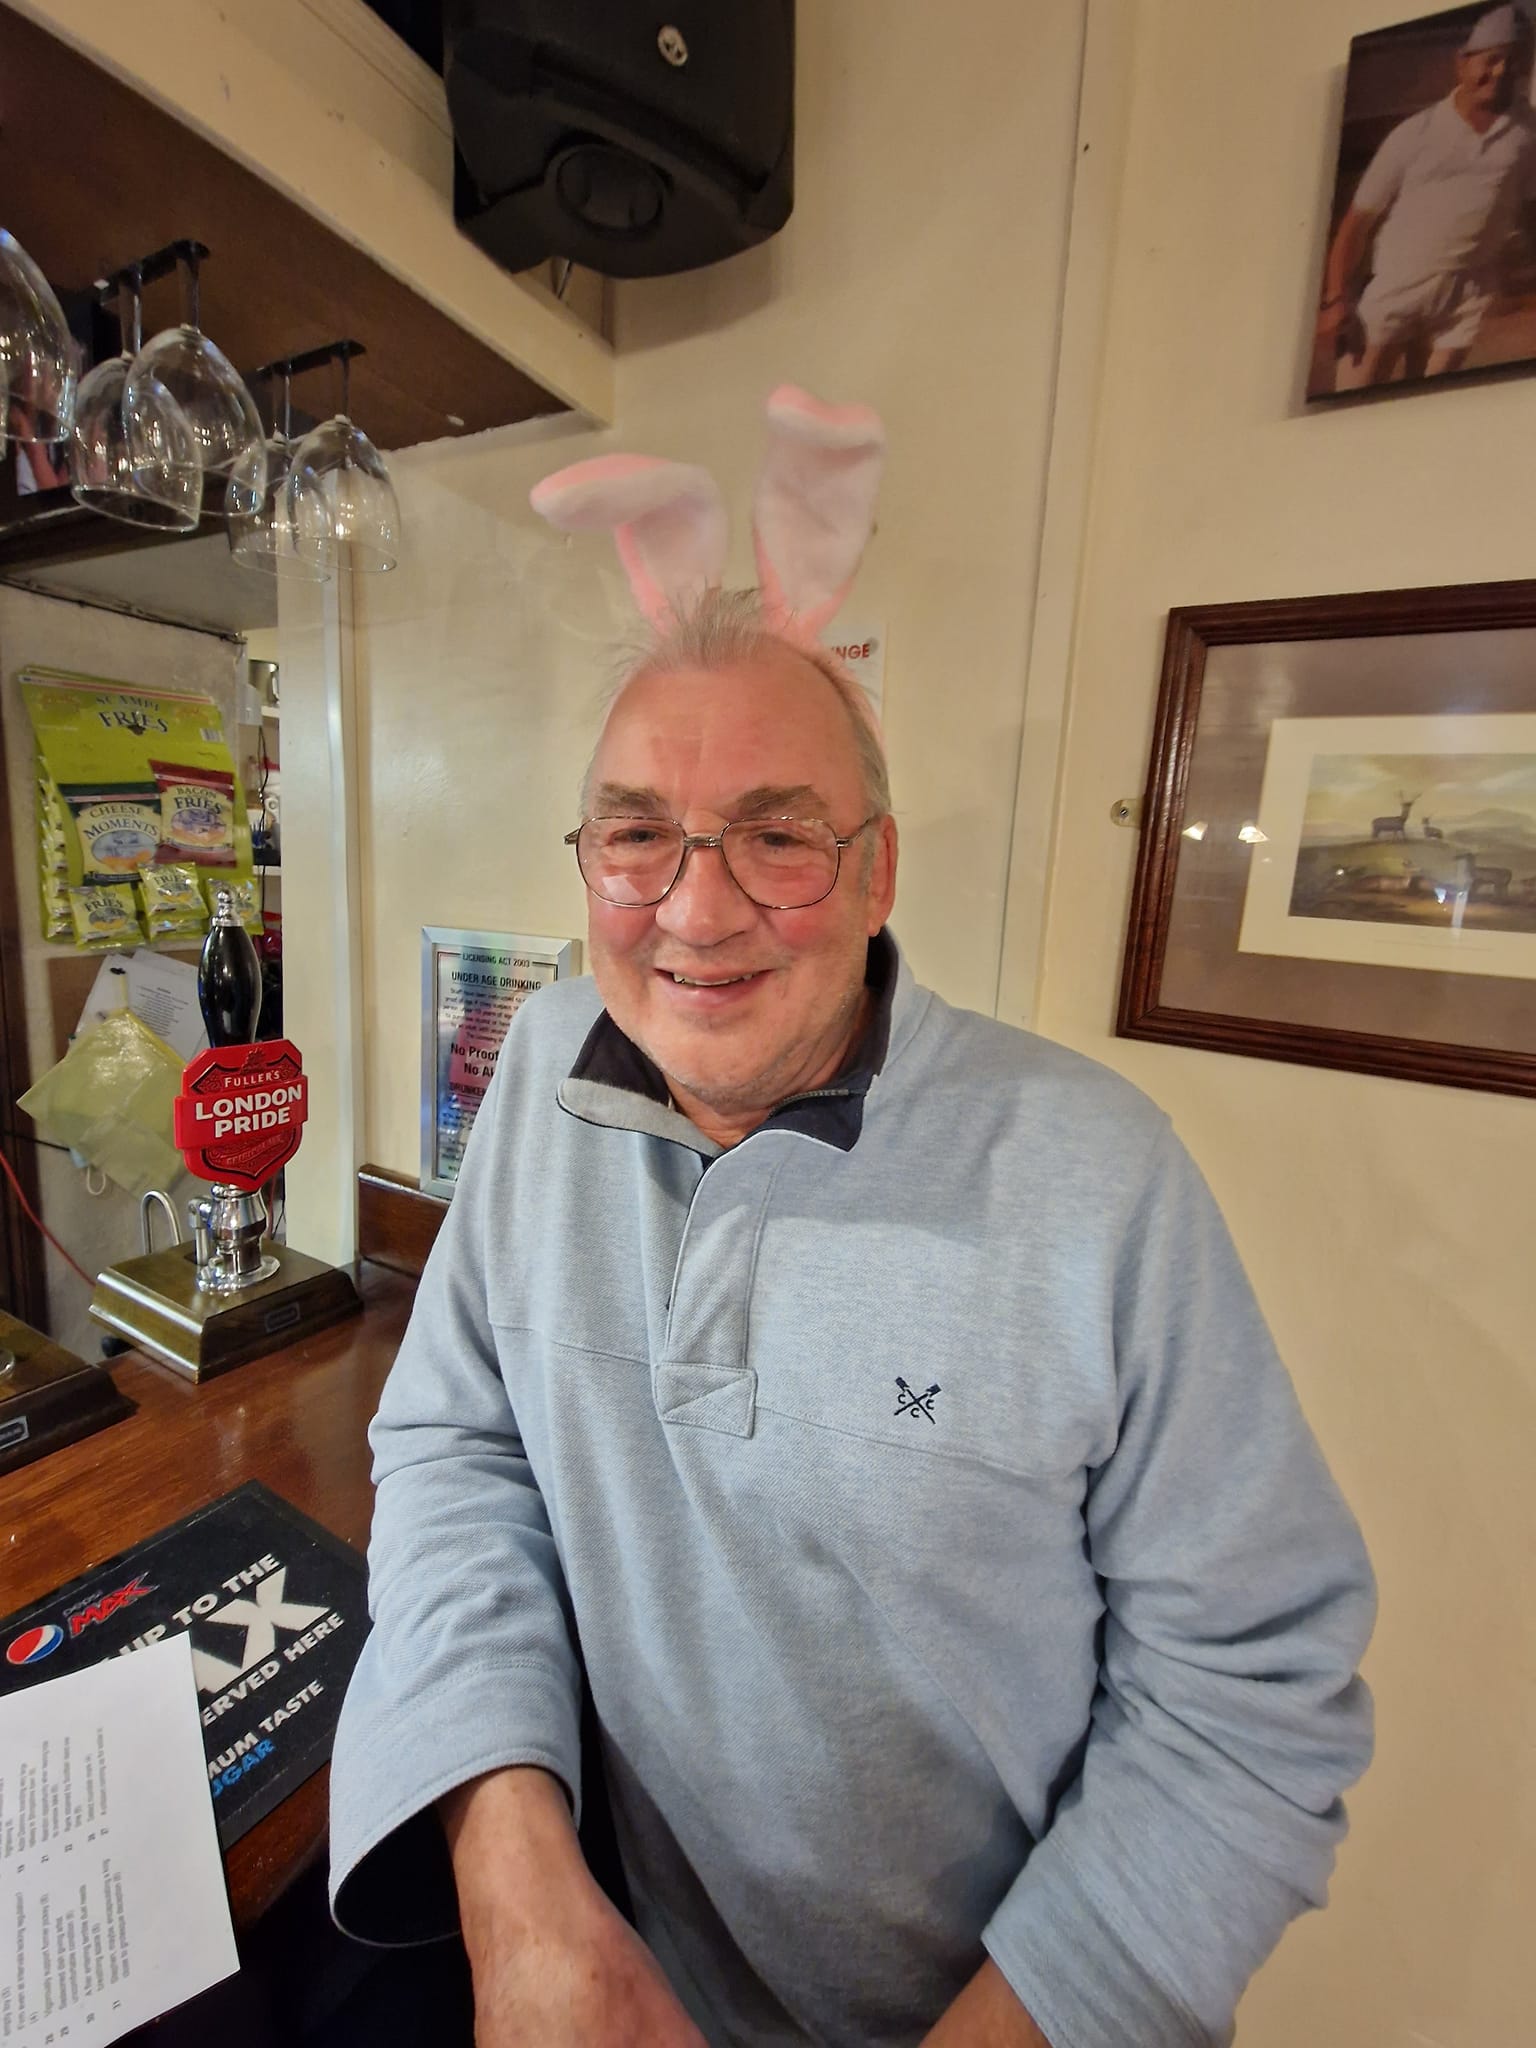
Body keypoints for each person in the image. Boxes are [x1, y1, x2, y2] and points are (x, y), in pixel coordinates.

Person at [329, 394, 1375, 2048]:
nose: (696, 908)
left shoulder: (1100, 1179)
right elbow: (461, 1447)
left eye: (778, 835)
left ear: (878, 872)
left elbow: (1249, 1701)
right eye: (638, 835)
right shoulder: (536, 1065)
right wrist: (515, 1883)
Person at [1318, 3, 1536, 387]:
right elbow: (1357, 223)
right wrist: (1336, 300)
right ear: (1462, 63)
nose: (1502, 71)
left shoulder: (1527, 132)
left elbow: (1531, 207)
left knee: (1431, 402)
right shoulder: (1414, 134)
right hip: (1398, 287)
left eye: (1514, 61)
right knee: (1358, 392)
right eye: (1491, 59)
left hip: (1468, 295)